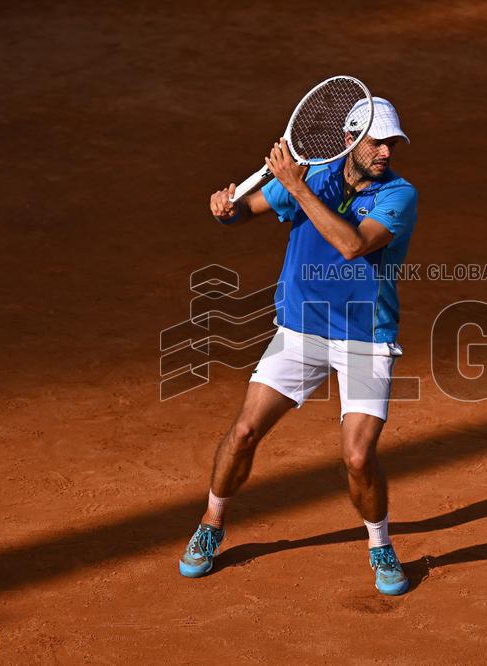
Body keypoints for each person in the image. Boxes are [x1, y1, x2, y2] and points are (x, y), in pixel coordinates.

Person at [179, 97, 418, 595]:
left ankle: (380, 545)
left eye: (391, 144)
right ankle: (211, 523)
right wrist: (226, 210)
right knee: (244, 431)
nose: (386, 153)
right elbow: (249, 209)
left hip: (364, 339)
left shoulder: (400, 195)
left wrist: (293, 184)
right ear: (350, 141)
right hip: (301, 330)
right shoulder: (314, 176)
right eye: (377, 142)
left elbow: (352, 244)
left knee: (357, 457)